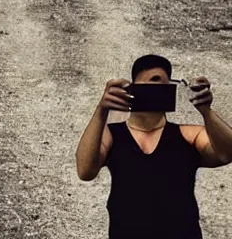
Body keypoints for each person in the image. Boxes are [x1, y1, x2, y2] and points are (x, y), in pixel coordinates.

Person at [75, 54, 232, 239]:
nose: (161, 87)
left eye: (166, 83)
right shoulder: (113, 135)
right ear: (132, 87)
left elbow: (226, 153)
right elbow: (85, 171)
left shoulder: (188, 135)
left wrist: (206, 110)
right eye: (154, 80)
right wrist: (101, 110)